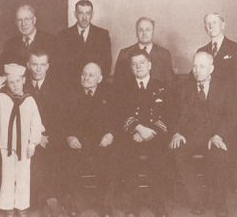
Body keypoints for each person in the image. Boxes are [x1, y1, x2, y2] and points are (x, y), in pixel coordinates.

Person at [170, 51, 234, 217]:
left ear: (211, 68)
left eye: (202, 66)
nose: (197, 70)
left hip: (215, 136)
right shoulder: (184, 88)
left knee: (220, 156)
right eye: (195, 66)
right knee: (177, 152)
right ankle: (198, 199)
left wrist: (219, 135)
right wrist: (177, 132)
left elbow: (232, 115)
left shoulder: (226, 88)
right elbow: (174, 115)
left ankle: (219, 203)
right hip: (190, 137)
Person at [0, 64, 44, 217]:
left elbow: (36, 124)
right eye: (11, 82)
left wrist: (32, 143)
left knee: (23, 175)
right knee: (8, 175)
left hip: (24, 145)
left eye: (17, 81)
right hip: (6, 145)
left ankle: (22, 205)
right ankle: (7, 205)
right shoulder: (1, 98)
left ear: (23, 80)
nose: (15, 85)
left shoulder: (29, 100)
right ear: (6, 84)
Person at [120, 49, 172, 217]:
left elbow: (169, 114)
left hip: (156, 135)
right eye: (134, 64)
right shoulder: (124, 88)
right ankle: (132, 205)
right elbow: (120, 113)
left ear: (150, 65)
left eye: (141, 63)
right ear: (130, 68)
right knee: (126, 156)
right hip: (132, 134)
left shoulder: (162, 87)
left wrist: (151, 131)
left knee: (160, 157)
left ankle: (158, 203)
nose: (138, 67)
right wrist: (138, 128)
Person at [63, 62, 117, 217]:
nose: (86, 78)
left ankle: (105, 204)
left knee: (112, 159)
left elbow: (116, 120)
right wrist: (70, 137)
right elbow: (63, 121)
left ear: (100, 79)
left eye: (91, 75)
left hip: (102, 141)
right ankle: (75, 204)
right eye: (83, 74)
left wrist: (110, 134)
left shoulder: (109, 95)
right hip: (78, 141)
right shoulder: (70, 95)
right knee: (68, 159)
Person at [24, 50, 61, 211]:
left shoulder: (58, 87)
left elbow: (61, 117)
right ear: (28, 65)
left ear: (48, 66)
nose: (38, 69)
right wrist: (36, 136)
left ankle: (53, 198)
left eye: (42, 65)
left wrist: (47, 136)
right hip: (28, 136)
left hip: (52, 136)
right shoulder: (21, 86)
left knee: (57, 154)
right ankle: (36, 202)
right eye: (34, 64)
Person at [56, 0, 112, 88]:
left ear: (92, 14)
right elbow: (60, 65)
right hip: (71, 87)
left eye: (88, 13)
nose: (84, 17)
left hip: (96, 87)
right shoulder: (63, 35)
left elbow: (106, 64)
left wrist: (96, 83)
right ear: (75, 14)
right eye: (81, 13)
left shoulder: (102, 35)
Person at [114, 17, 174, 87]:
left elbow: (170, 83)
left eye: (148, 30)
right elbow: (117, 83)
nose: (144, 33)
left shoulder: (164, 54)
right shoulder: (125, 53)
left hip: (158, 96)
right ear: (136, 33)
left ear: (153, 32)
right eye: (140, 30)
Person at [197, 13, 237, 82]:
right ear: (205, 28)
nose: (211, 26)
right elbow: (193, 76)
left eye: (214, 22)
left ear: (222, 26)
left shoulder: (234, 48)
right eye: (208, 23)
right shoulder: (201, 51)